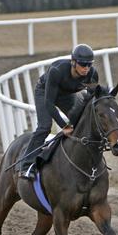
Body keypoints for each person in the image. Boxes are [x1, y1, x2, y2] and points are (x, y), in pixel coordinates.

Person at [18, 44, 99, 180]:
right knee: (44, 127)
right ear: (73, 62)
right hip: (45, 92)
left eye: (89, 64)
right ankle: (26, 166)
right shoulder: (57, 71)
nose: (86, 68)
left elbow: (91, 99)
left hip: (66, 95)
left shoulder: (92, 74)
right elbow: (49, 103)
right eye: (83, 64)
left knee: (82, 122)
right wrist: (64, 126)